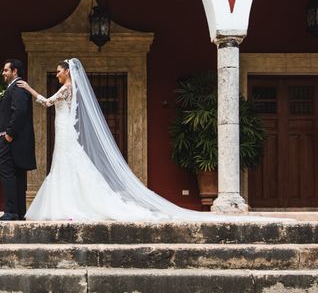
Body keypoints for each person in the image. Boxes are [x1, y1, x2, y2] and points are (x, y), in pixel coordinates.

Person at [17, 58, 265, 222]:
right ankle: (70, 201)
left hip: (65, 130)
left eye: (59, 71)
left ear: (67, 71)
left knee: (67, 164)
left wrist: (28, 88)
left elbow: (46, 103)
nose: (57, 74)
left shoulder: (66, 87)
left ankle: (72, 203)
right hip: (65, 128)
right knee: (66, 165)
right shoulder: (70, 87)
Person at [0, 59, 36, 221]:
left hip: (11, 140)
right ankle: (18, 212)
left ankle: (11, 211)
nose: (3, 73)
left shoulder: (17, 88)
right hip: (14, 140)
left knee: (8, 173)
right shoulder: (16, 87)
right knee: (16, 174)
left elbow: (20, 111)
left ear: (14, 71)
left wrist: (8, 134)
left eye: (5, 70)